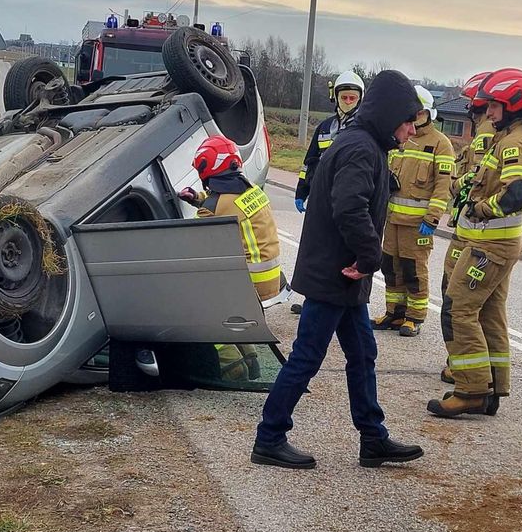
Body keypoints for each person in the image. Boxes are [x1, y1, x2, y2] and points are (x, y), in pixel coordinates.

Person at [252, 70, 426, 469]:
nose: (410, 132)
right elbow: (350, 208)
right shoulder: (361, 148)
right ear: (388, 116)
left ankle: (373, 438)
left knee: (363, 353)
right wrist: (370, 259)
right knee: (307, 357)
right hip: (337, 274)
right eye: (407, 122)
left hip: (345, 277)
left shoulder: (367, 145)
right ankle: (269, 437)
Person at [428, 68, 522, 418]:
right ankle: (492, 386)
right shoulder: (508, 136)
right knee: (489, 315)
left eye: (493, 106)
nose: (487, 113)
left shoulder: (515, 142)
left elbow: (515, 195)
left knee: (458, 308)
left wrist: (479, 208)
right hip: (493, 243)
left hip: (490, 245)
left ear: (511, 105)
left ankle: (472, 389)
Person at [180, 134, 282, 380]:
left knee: (206, 312)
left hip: (249, 281)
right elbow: (228, 205)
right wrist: (197, 199)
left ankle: (232, 368)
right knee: (233, 312)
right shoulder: (251, 190)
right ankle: (251, 360)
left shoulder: (214, 208)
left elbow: (195, 244)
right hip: (268, 278)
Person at [372, 86, 455, 336]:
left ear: (429, 113)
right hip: (393, 220)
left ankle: (414, 317)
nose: (414, 119)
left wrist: (432, 218)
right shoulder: (399, 138)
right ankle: (393, 312)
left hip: (418, 224)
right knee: (391, 267)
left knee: (414, 270)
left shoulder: (441, 144)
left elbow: (443, 186)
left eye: (419, 113)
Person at [440, 72, 494, 383]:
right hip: (473, 227)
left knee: (457, 298)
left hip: (472, 229)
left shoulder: (487, 136)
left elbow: (473, 180)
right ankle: (476, 369)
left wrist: (454, 183)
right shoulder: (488, 133)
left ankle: (463, 367)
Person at [294, 71, 365, 212]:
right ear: (335, 97)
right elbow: (309, 163)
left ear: (360, 99)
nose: (348, 102)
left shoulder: (364, 130)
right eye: (344, 97)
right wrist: (301, 192)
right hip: (321, 196)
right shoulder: (324, 127)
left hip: (348, 201)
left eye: (353, 98)